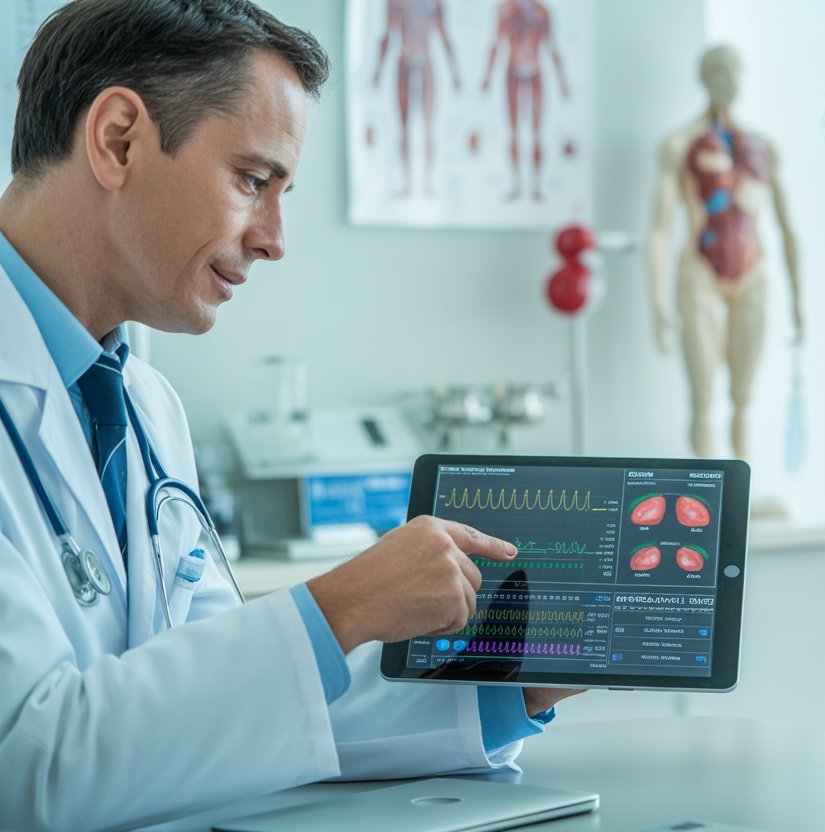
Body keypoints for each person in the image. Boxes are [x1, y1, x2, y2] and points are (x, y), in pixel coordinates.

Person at [0, 2, 577, 829]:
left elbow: (224, 718)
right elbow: (26, 768)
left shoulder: (143, 406)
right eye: (252, 180)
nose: (275, 238)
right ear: (119, 138)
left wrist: (512, 681)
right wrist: (339, 607)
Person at [648, 45, 803, 462]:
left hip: (752, 270)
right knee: (703, 395)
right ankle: (706, 499)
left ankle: (740, 500)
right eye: (718, 75)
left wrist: (798, 301)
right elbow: (659, 230)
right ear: (704, 80)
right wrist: (657, 303)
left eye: (733, 75)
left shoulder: (763, 149)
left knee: (744, 396)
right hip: (700, 267)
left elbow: (788, 228)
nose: (727, 84)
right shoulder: (680, 146)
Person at [370, 0, 461, 198]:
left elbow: (443, 32)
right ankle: (407, 183)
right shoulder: (395, 3)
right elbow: (388, 33)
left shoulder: (435, 3)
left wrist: (455, 71)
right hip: (404, 62)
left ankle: (426, 183)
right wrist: (378, 70)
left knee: (428, 127)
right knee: (404, 128)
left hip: (427, 63)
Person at [480, 0, 570, 202]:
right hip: (512, 72)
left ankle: (536, 186)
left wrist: (563, 82)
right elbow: (496, 44)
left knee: (537, 133)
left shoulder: (542, 12)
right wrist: (488, 77)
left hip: (535, 71)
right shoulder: (505, 10)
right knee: (514, 132)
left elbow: (551, 46)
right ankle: (516, 185)